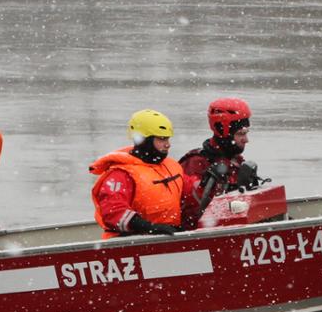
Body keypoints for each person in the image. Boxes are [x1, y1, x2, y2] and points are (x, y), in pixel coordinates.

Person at [89, 109, 192, 238]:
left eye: (168, 139)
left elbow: (191, 192)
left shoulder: (172, 166)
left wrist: (212, 182)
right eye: (162, 139)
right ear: (144, 140)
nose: (168, 145)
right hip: (131, 243)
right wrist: (149, 228)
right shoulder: (120, 174)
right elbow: (113, 211)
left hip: (166, 237)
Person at [179, 97, 261, 228]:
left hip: (232, 229)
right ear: (223, 132)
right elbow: (189, 212)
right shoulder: (195, 163)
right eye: (241, 134)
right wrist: (208, 186)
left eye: (246, 133)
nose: (246, 140)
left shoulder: (237, 162)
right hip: (202, 235)